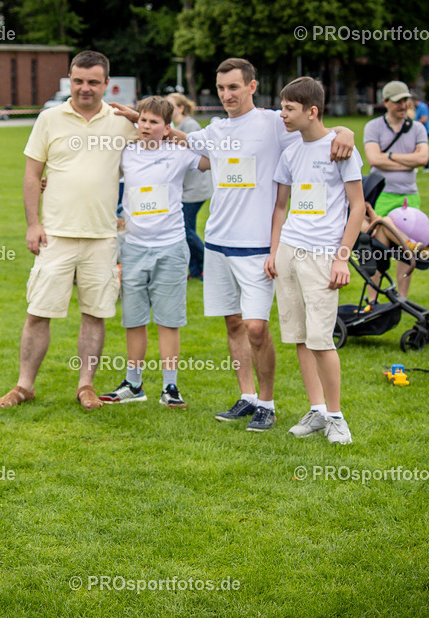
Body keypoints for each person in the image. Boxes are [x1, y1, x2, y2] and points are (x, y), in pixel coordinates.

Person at [117, 58, 354, 431]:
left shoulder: (275, 124)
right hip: (216, 243)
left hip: (259, 245)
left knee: (257, 328)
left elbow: (316, 125)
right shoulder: (214, 130)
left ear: (252, 87)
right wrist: (136, 115)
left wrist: (346, 131)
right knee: (232, 325)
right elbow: (173, 135)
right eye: (222, 88)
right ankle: (246, 397)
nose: (227, 94)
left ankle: (268, 402)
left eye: (234, 87)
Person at [0, 50, 137, 410]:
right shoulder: (49, 118)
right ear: (69, 80)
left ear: (107, 84)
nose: (84, 88)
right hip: (54, 234)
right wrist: (32, 223)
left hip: (103, 236)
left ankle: (85, 386)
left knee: (95, 313)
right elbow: (31, 173)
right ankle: (24, 386)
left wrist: (139, 117)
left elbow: (167, 142)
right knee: (38, 311)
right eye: (78, 80)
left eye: (93, 81)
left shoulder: (122, 122)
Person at [265, 77, 363, 444]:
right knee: (300, 338)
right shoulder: (290, 152)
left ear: (312, 111)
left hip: (324, 256)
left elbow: (358, 208)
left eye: (289, 109)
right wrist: (275, 251)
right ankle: (317, 411)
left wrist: (342, 259)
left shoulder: (341, 148)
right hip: (289, 251)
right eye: (282, 106)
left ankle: (337, 417)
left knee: (322, 340)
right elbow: (280, 207)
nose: (282, 114)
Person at [98, 96, 209, 408]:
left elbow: (217, 156)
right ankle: (133, 384)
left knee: (168, 320)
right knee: (134, 319)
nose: (145, 126)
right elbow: (94, 171)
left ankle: (170, 387)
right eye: (142, 120)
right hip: (133, 248)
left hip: (171, 248)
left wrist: (176, 137)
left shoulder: (180, 152)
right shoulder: (127, 152)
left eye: (153, 122)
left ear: (167, 127)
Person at [363, 81, 429, 216]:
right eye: (398, 101)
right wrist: (409, 163)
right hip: (381, 195)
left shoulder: (418, 128)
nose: (403, 106)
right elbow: (374, 159)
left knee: (409, 237)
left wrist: (389, 155)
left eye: (405, 101)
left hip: (410, 195)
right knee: (380, 236)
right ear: (386, 102)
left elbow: (422, 159)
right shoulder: (373, 126)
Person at [168, 92, 211, 280]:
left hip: (195, 189)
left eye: (171, 105)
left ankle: (206, 264)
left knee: (187, 231)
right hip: (188, 188)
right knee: (189, 230)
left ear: (181, 108)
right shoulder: (179, 126)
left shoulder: (190, 125)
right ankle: (196, 271)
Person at [413, 93, 429, 171]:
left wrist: (412, 124)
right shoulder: (415, 107)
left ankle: (426, 167)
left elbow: (424, 119)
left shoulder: (422, 107)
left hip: (425, 131)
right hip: (416, 131)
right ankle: (414, 166)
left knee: (423, 148)